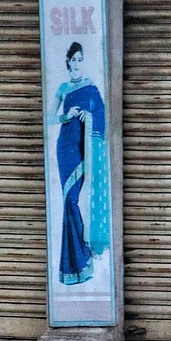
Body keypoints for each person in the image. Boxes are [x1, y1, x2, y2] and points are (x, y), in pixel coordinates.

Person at [51, 41, 109, 285]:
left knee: (72, 200)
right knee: (68, 201)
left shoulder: (91, 87)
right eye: (73, 60)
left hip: (83, 148)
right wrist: (66, 115)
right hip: (64, 148)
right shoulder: (63, 88)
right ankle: (78, 261)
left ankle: (79, 258)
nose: (77, 64)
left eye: (80, 59)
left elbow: (103, 115)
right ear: (68, 62)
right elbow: (48, 117)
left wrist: (90, 115)